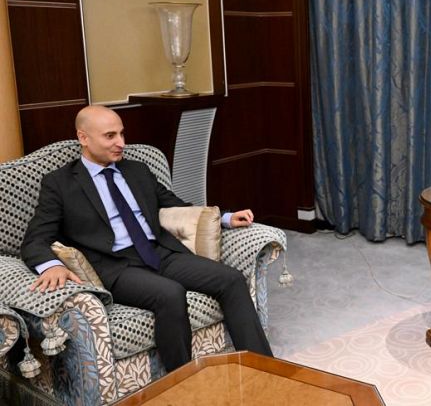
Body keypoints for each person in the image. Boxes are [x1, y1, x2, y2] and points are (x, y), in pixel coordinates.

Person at [21, 105, 273, 371]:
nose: (121, 143)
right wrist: (52, 266)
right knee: (170, 293)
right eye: (110, 136)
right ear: (83, 138)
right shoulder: (59, 183)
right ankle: (183, 382)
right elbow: (35, 238)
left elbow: (176, 205)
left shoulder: (137, 170)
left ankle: (264, 369)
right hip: (115, 266)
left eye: (122, 134)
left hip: (158, 252)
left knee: (231, 278)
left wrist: (225, 218)